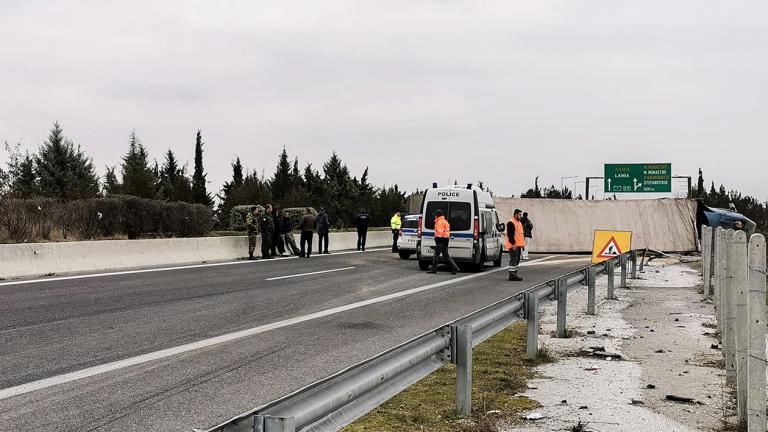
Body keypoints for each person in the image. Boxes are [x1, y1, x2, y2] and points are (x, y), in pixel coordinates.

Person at [429, 209, 459, 274]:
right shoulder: (445, 221)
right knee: (446, 256)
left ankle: (433, 270)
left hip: (440, 241)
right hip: (445, 240)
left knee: (436, 255)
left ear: (437, 216)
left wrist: (437, 240)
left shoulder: (439, 222)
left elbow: (440, 232)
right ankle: (455, 268)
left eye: (435, 215)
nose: (435, 216)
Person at [506, 209, 526, 281]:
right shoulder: (511, 222)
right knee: (513, 260)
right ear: (516, 214)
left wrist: (522, 244)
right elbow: (510, 235)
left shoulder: (519, 223)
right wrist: (513, 244)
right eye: (520, 214)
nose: (521, 216)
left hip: (518, 245)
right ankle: (512, 275)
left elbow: (520, 235)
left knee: (517, 260)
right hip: (513, 245)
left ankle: (514, 274)